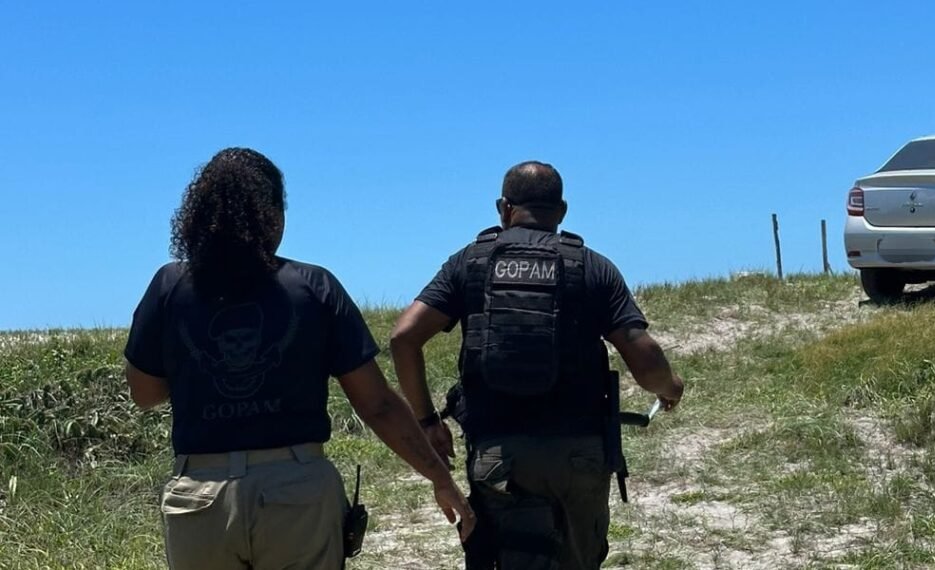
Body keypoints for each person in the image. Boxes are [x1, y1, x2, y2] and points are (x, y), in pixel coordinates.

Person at [122, 147, 475, 569]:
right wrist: (440, 478)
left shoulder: (169, 286)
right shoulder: (312, 286)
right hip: (296, 490)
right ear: (272, 214)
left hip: (201, 495)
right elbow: (377, 404)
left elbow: (144, 393)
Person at [389, 160, 685, 569]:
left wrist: (427, 422)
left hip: (498, 455)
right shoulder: (592, 267)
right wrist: (670, 389)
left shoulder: (470, 263)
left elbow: (403, 337)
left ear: (503, 208)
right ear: (561, 211)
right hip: (579, 454)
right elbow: (644, 356)